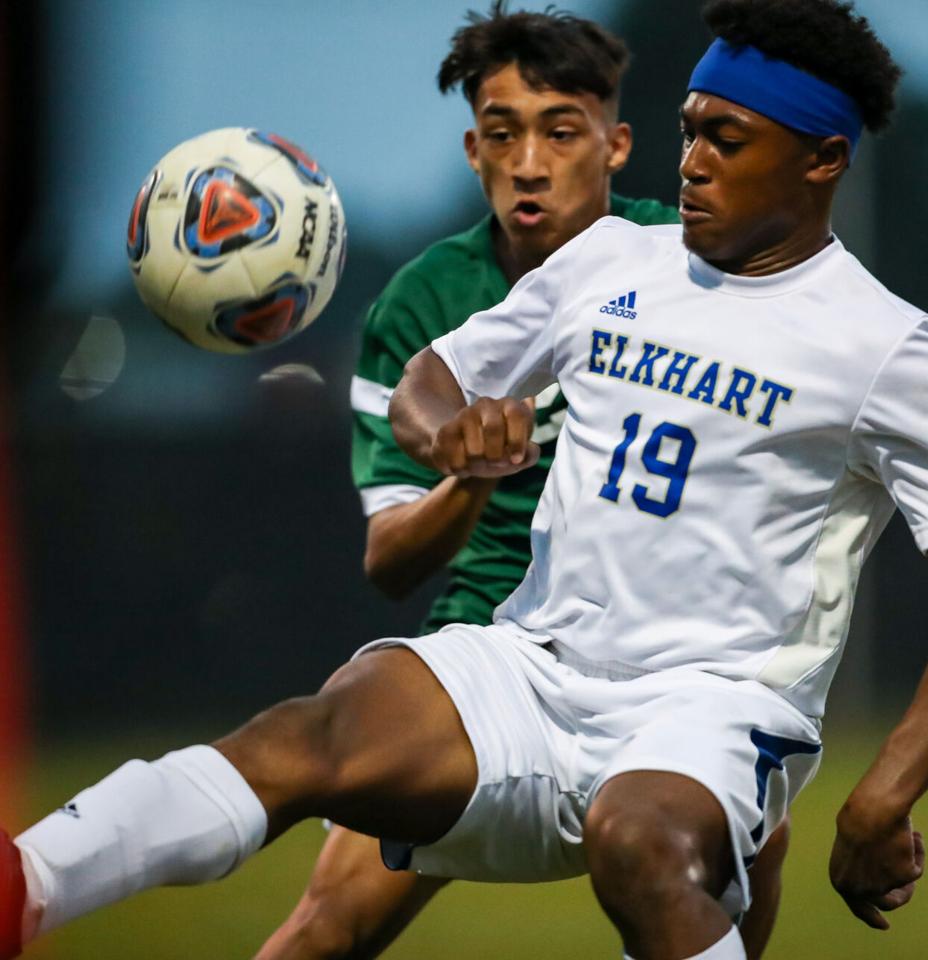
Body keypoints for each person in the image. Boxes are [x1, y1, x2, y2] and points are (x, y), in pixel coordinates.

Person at [1, 1, 928, 958]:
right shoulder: (615, 263)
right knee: (308, 735)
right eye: (689, 128)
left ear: (821, 161)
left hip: (714, 709)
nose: (693, 162)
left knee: (640, 844)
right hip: (533, 667)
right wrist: (454, 435)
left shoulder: (885, 344)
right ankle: (24, 884)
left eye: (727, 139)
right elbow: (430, 378)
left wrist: (881, 797)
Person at [257, 4, 785, 958]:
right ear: (473, 149)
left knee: (761, 833)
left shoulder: (688, 262)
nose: (530, 163)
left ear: (617, 146)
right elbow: (389, 559)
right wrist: (467, 475)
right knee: (330, 928)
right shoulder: (421, 304)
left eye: (560, 131)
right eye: (504, 133)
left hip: (659, 655)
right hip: (481, 651)